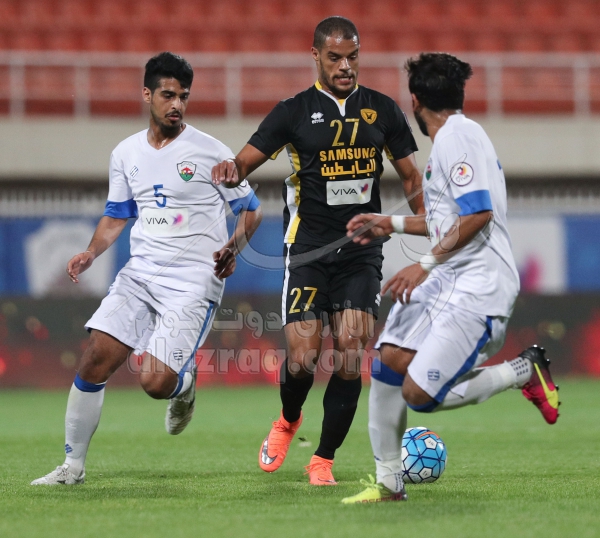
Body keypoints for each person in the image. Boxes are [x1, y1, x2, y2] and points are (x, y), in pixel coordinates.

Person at [31, 52, 262, 486]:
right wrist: (91, 252)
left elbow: (251, 208)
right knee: (95, 358)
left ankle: (184, 385)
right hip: (140, 274)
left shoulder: (211, 151)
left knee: (155, 383)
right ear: (147, 95)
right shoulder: (125, 153)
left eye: (183, 97)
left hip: (193, 280)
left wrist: (234, 246)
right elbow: (117, 215)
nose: (177, 104)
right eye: (168, 95)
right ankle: (72, 468)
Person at [212, 17, 423, 485]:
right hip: (307, 250)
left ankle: (323, 459)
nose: (345, 66)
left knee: (350, 352)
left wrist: (429, 222)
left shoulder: (383, 110)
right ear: (316, 56)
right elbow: (243, 162)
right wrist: (229, 169)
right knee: (303, 357)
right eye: (335, 58)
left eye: (352, 57)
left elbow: (411, 176)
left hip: (361, 252)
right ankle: (289, 419)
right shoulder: (293, 112)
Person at [341, 52, 560, 503]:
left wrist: (422, 266)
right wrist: (390, 223)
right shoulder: (453, 140)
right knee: (387, 361)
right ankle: (388, 485)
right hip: (451, 278)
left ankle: (523, 370)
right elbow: (447, 221)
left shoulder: (457, 138)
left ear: (415, 101)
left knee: (420, 394)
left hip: (478, 288)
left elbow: (478, 214)